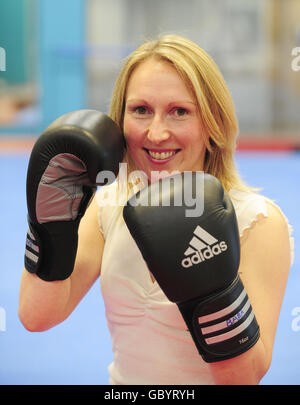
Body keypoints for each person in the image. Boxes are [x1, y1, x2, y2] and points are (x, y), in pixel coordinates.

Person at [18, 34, 294, 385]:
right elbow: (37, 316)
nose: (157, 132)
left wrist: (211, 293)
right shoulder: (108, 205)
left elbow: (243, 378)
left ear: (212, 124)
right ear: (119, 120)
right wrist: (48, 226)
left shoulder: (257, 223)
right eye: (141, 110)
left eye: (179, 111)